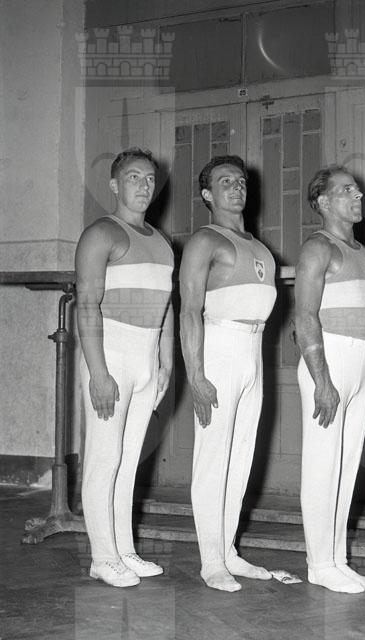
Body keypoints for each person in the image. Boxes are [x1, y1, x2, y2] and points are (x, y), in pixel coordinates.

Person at [75, 147, 174, 587]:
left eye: (150, 178)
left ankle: (124, 551)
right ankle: (102, 557)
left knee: (130, 459)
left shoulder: (162, 242)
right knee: (104, 458)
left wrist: (164, 363)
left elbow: (167, 307)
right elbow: (87, 304)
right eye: (134, 177)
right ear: (115, 185)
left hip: (146, 359)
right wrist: (98, 373)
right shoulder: (101, 233)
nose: (144, 185)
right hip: (110, 355)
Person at [179, 155, 277, 592]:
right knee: (213, 458)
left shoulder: (259, 247)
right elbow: (189, 310)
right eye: (224, 182)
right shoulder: (205, 240)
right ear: (207, 194)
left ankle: (229, 551)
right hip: (218, 348)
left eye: (240, 181)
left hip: (253, 352)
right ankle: (211, 561)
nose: (236, 187)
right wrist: (196, 375)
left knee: (240, 459)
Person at [294, 165, 365, 594]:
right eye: (347, 189)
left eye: (357, 189)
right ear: (324, 202)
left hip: (360, 362)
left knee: (347, 467)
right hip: (328, 361)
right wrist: (321, 379)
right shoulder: (318, 248)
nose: (358, 194)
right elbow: (305, 316)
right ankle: (319, 563)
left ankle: (337, 559)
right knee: (322, 466)